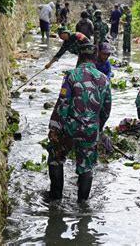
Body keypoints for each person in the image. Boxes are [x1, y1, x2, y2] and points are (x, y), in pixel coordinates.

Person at [47, 44, 112, 202]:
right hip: (90, 131)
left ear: (79, 57)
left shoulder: (71, 75)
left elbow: (63, 104)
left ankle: (55, 199)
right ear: (95, 58)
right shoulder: (104, 79)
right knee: (86, 167)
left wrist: (55, 128)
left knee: (56, 159)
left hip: (69, 129)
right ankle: (82, 206)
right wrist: (98, 128)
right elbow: (106, 110)